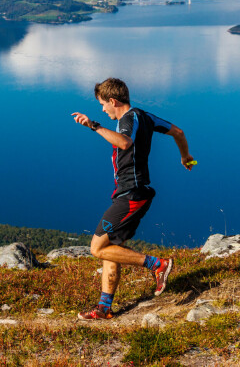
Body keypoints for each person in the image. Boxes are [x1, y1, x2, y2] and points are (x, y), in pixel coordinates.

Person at [71, 77, 194, 320]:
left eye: (103, 105)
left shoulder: (129, 119)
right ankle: (104, 308)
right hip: (131, 193)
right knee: (110, 249)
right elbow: (178, 131)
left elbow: (125, 143)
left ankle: (157, 265)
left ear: (113, 101)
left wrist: (93, 125)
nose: (102, 109)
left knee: (96, 248)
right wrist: (185, 155)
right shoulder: (145, 116)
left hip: (131, 195)